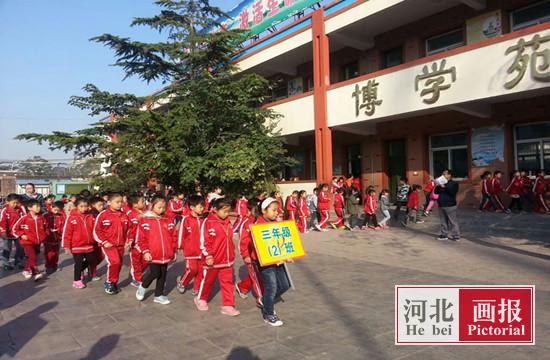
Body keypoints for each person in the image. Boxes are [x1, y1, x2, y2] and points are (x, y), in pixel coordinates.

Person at [195, 198, 240, 316]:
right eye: (224, 211)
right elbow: (204, 240)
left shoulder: (228, 222)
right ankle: (201, 299)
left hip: (227, 259)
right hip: (212, 260)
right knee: (207, 281)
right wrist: (208, 255)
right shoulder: (208, 222)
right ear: (215, 210)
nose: (226, 214)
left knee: (228, 282)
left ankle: (228, 305)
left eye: (228, 211)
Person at [256, 198, 292, 326]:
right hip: (266, 264)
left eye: (277, 210)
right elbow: (260, 247)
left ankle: (265, 300)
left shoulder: (276, 223)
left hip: (279, 260)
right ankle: (269, 314)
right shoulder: (258, 226)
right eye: (273, 210)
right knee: (271, 287)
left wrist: (287, 254)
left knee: (285, 285)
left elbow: (282, 241)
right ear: (264, 211)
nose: (276, 213)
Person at [135, 196, 177, 305]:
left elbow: (173, 236)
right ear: (152, 206)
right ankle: (143, 286)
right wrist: (145, 251)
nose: (161, 210)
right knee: (155, 272)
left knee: (163, 274)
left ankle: (158, 295)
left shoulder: (168, 220)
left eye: (164, 207)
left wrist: (174, 250)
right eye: (159, 207)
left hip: (166, 253)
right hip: (153, 253)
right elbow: (140, 239)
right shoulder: (145, 220)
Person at [93, 192, 129, 295]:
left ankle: (114, 282)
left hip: (120, 245)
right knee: (115, 262)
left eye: (121, 202)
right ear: (109, 202)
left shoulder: (124, 215)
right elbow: (97, 231)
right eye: (117, 202)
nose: (120, 204)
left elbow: (128, 229)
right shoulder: (103, 215)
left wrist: (128, 240)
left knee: (118, 264)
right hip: (108, 245)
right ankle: (109, 282)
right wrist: (104, 242)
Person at [62, 198, 97, 289]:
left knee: (91, 260)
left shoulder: (90, 216)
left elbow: (95, 229)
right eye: (81, 206)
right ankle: (77, 280)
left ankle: (79, 270)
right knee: (78, 262)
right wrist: (66, 246)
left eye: (86, 206)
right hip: (76, 245)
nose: (84, 208)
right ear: (76, 206)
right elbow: (67, 233)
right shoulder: (72, 218)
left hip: (89, 244)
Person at [235, 199, 263, 307]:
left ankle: (242, 286)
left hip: (262, 255)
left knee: (257, 275)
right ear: (249, 210)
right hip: (251, 256)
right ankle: (262, 298)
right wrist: (246, 255)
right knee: (256, 276)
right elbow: (243, 241)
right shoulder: (247, 223)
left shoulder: (262, 221)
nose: (257, 211)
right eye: (255, 209)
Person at [176, 195, 205, 295]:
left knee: (201, 270)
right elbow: (181, 233)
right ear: (192, 207)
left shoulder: (203, 220)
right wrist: (179, 245)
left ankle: (196, 287)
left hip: (202, 250)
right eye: (200, 207)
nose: (203, 209)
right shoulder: (186, 219)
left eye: (203, 206)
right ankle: (182, 282)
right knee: (192, 269)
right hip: (190, 250)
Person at [13, 199, 48, 280]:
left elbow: (46, 228)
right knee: (32, 257)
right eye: (37, 206)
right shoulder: (24, 218)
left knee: (32, 257)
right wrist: (22, 235)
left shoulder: (41, 218)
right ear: (29, 208)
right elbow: (15, 229)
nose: (39, 208)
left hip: (37, 241)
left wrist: (44, 236)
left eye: (39, 206)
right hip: (27, 241)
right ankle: (36, 272)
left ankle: (26, 270)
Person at [126, 194, 147, 287]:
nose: (144, 203)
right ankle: (136, 279)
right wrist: (129, 240)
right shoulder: (130, 215)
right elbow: (128, 229)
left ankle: (137, 272)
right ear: (135, 204)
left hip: (145, 242)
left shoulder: (147, 213)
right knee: (136, 262)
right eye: (142, 201)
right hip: (134, 244)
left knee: (147, 261)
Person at [0, 193, 25, 270]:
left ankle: (19, 261)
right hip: (7, 233)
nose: (15, 204)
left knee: (20, 247)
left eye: (16, 202)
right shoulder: (5, 210)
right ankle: (5, 263)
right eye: (13, 202)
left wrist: (24, 231)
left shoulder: (20, 209)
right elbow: (2, 221)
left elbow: (24, 220)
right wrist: (3, 232)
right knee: (7, 248)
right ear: (8, 202)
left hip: (18, 233)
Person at [435, 170, 460, 241]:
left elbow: (452, 192)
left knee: (452, 221)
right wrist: (438, 185)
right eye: (442, 174)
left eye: (444, 174)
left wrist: (444, 186)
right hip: (441, 204)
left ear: (449, 175)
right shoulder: (441, 183)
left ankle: (456, 236)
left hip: (450, 205)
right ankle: (444, 234)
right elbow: (436, 192)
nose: (442, 176)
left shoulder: (453, 183)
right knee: (443, 221)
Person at [43, 201, 66, 274]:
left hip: (57, 237)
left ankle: (54, 265)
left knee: (56, 253)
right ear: (51, 207)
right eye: (55, 210)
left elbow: (64, 226)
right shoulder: (45, 215)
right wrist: (47, 230)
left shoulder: (62, 216)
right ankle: (48, 266)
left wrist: (61, 232)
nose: (56, 212)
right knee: (49, 253)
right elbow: (42, 226)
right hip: (48, 237)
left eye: (58, 210)